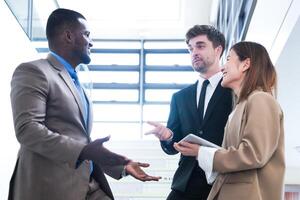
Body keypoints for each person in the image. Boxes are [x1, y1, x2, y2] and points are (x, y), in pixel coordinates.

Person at [9, 8, 160, 200]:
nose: (91, 42)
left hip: (88, 185)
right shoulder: (34, 71)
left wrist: (121, 165)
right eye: (87, 34)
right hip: (50, 188)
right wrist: (83, 150)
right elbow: (27, 130)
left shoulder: (77, 82)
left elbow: (80, 140)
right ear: (69, 36)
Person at [174, 41, 285, 200]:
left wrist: (201, 152)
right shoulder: (240, 107)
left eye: (227, 59)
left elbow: (253, 154)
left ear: (245, 64)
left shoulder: (261, 99)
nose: (222, 68)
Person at [145, 25, 233, 199]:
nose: (194, 52)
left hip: (222, 183)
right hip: (185, 185)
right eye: (190, 49)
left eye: (200, 46)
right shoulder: (180, 97)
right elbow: (173, 146)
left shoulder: (234, 92)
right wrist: (168, 136)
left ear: (218, 50)